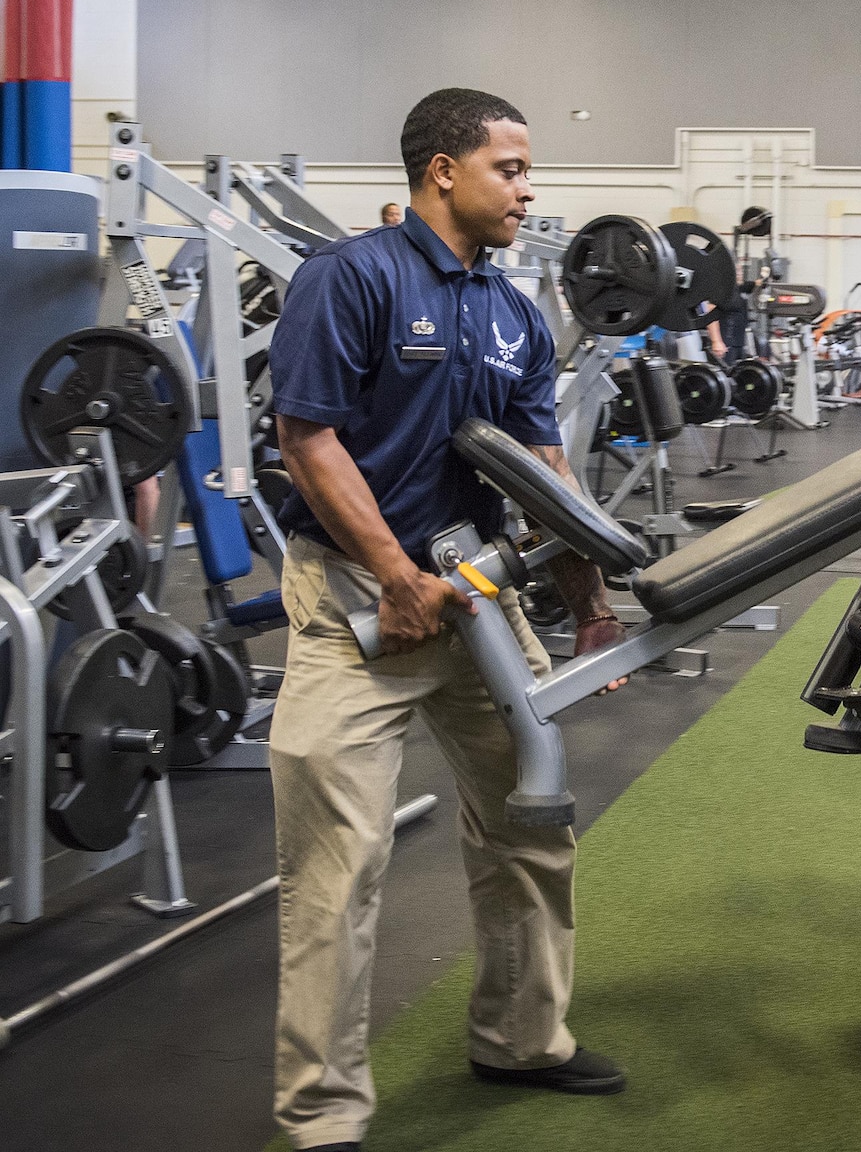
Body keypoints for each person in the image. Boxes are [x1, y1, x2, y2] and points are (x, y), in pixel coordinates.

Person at [268, 89, 629, 1152]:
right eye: (510, 168)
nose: (528, 188)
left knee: (531, 820)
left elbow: (541, 469)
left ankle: (524, 1036)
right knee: (337, 870)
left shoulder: (510, 309)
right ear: (443, 171)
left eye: (526, 169)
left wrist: (590, 605)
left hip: (475, 600)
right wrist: (391, 575)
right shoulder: (353, 278)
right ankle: (323, 1115)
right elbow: (308, 437)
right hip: (355, 607)